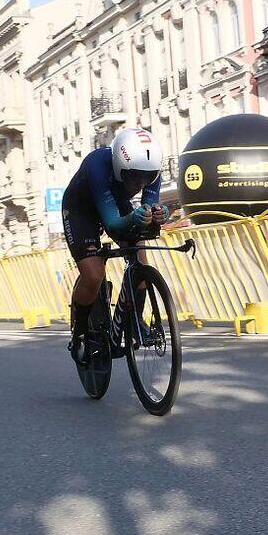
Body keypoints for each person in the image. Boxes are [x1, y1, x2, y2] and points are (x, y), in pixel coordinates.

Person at [62, 127, 170, 362]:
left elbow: (149, 211)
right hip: (81, 211)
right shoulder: (97, 164)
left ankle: (135, 321)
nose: (141, 183)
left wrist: (159, 214)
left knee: (140, 258)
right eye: (135, 176)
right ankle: (79, 334)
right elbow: (112, 223)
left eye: (147, 177)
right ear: (120, 166)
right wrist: (135, 218)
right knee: (94, 275)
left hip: (116, 203)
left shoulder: (151, 171)